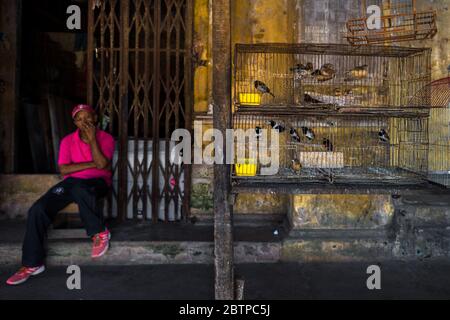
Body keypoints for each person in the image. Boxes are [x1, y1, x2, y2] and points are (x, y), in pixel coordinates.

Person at [6, 104, 115, 285]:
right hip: (71, 183)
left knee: (81, 188)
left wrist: (92, 140)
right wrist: (91, 163)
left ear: (95, 118)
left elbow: (103, 165)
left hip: (98, 182)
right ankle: (32, 264)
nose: (84, 122)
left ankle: (100, 232)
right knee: (38, 209)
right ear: (75, 123)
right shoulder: (67, 141)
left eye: (87, 117)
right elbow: (64, 168)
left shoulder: (106, 138)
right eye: (79, 119)